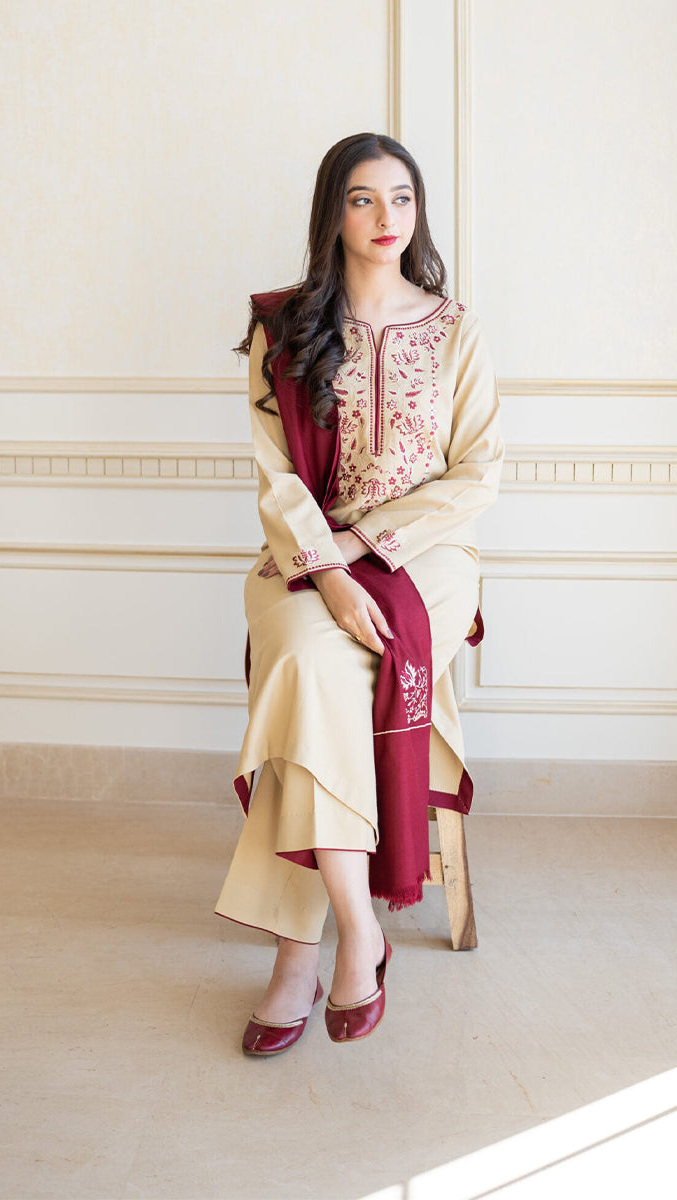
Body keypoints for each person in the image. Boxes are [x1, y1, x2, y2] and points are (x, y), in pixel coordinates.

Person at [214, 131, 504, 1055]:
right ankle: (353, 930)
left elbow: (478, 474)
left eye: (402, 198)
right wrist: (330, 572)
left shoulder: (454, 330)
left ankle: (296, 954)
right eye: (364, 199)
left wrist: (367, 544)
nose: (387, 217)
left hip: (428, 560)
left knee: (320, 684)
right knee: (311, 661)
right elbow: (276, 477)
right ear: (332, 213)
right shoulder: (286, 328)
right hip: (303, 556)